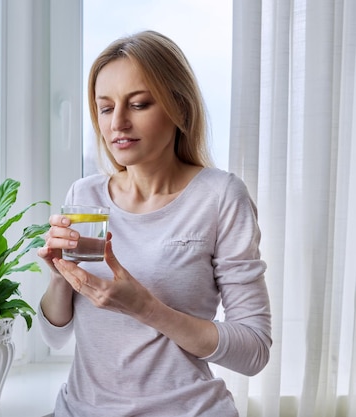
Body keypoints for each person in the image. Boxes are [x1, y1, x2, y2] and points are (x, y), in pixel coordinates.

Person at [37, 30, 271, 417]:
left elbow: (254, 351)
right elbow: (54, 335)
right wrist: (61, 275)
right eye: (106, 108)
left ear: (179, 107)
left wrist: (146, 308)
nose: (118, 124)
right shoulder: (86, 195)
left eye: (139, 104)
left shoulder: (220, 196)